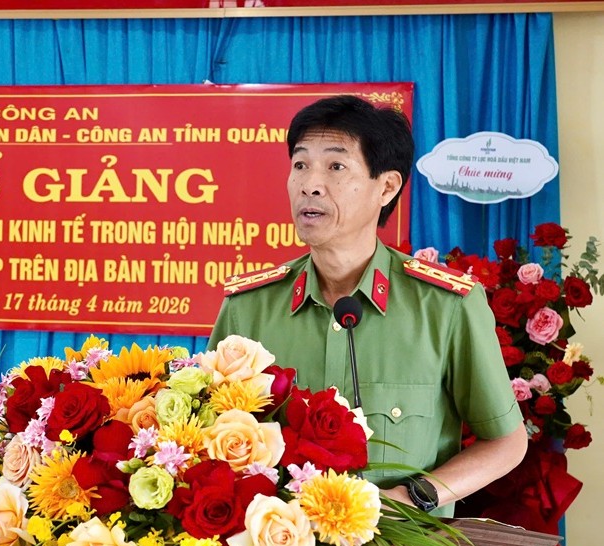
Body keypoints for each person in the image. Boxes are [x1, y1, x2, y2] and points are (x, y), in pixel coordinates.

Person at [207, 95, 527, 516]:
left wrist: (413, 498)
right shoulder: (248, 308)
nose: (310, 184)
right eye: (300, 164)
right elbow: (209, 434)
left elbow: (506, 441)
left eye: (335, 167)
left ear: (387, 187)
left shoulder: (445, 306)